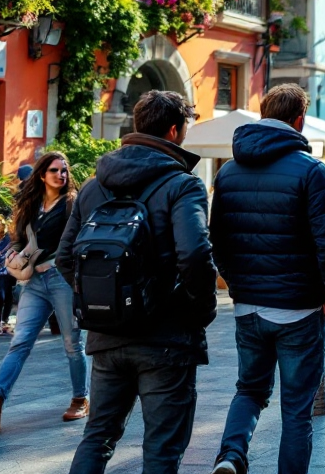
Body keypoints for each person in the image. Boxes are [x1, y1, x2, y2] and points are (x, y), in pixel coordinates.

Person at [58, 91, 217, 474]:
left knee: (97, 436)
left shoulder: (95, 186)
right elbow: (194, 254)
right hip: (167, 338)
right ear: (175, 131)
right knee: (161, 448)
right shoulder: (182, 185)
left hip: (106, 335)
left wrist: (103, 300)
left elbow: (65, 257)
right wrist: (201, 309)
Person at [209, 84, 325, 474]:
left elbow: (217, 238)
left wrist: (237, 286)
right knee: (297, 410)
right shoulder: (311, 170)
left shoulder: (228, 171)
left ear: (262, 112)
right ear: (299, 120)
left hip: (248, 307)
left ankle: (231, 456)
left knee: (249, 390)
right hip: (299, 309)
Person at [0, 153, 88, 431]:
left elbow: (80, 238)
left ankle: (81, 398)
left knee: (72, 343)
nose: (62, 175)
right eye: (55, 170)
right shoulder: (31, 205)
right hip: (33, 282)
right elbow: (19, 239)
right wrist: (13, 254)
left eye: (65, 171)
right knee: (20, 342)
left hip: (61, 279)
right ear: (42, 175)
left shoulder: (72, 203)